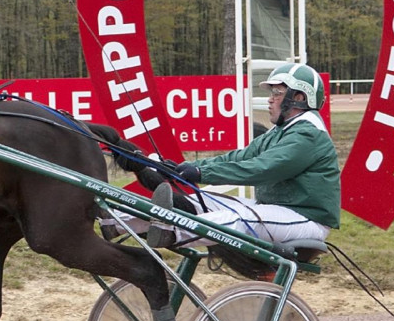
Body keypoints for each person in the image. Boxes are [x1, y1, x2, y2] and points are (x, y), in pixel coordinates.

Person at [114, 62, 339, 249]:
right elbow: (239, 158)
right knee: (201, 201)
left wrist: (201, 173)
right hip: (276, 210)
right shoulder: (283, 130)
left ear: (298, 97)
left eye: (277, 93)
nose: (270, 99)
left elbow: (262, 168)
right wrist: (184, 168)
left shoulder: (308, 134)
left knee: (238, 218)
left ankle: (171, 231)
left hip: (305, 219)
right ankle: (116, 221)